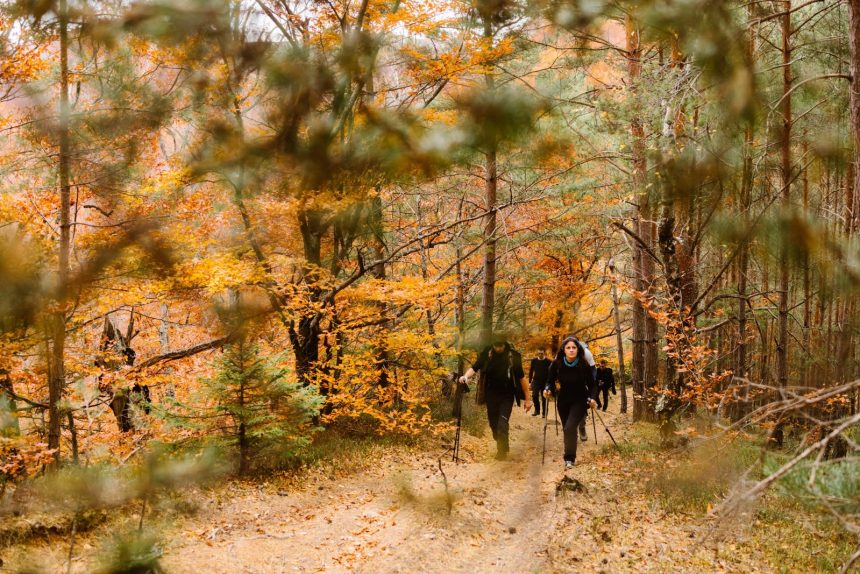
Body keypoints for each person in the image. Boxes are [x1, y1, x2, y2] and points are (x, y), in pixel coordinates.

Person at [459, 333, 531, 460]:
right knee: (494, 425)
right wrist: (465, 376)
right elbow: (475, 367)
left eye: (501, 346)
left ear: (504, 344)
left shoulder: (513, 356)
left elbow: (521, 378)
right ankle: (502, 442)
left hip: (507, 395)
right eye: (496, 346)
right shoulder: (487, 354)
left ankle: (501, 452)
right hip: (491, 394)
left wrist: (528, 399)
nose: (498, 348)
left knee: (502, 423)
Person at [543, 336, 598, 470]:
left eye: (574, 347)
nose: (571, 350)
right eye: (568, 348)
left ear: (578, 349)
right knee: (567, 429)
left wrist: (593, 398)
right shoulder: (557, 364)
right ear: (564, 350)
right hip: (563, 400)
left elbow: (593, 385)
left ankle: (569, 458)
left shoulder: (583, 364)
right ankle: (570, 454)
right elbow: (549, 381)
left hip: (580, 399)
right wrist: (547, 389)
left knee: (569, 427)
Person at [576, 338, 596, 442]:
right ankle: (571, 430)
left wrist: (590, 385)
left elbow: (593, 370)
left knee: (582, 407)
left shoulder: (587, 353)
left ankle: (582, 427)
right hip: (569, 384)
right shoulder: (562, 353)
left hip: (583, 383)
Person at [529, 350, 551, 417]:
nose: (540, 355)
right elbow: (531, 371)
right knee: (534, 395)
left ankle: (544, 412)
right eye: (539, 353)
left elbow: (551, 372)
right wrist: (530, 382)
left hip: (545, 381)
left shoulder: (548, 361)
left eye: (541, 353)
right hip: (536, 381)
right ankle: (537, 410)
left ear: (544, 353)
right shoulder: (534, 361)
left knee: (544, 397)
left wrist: (549, 382)